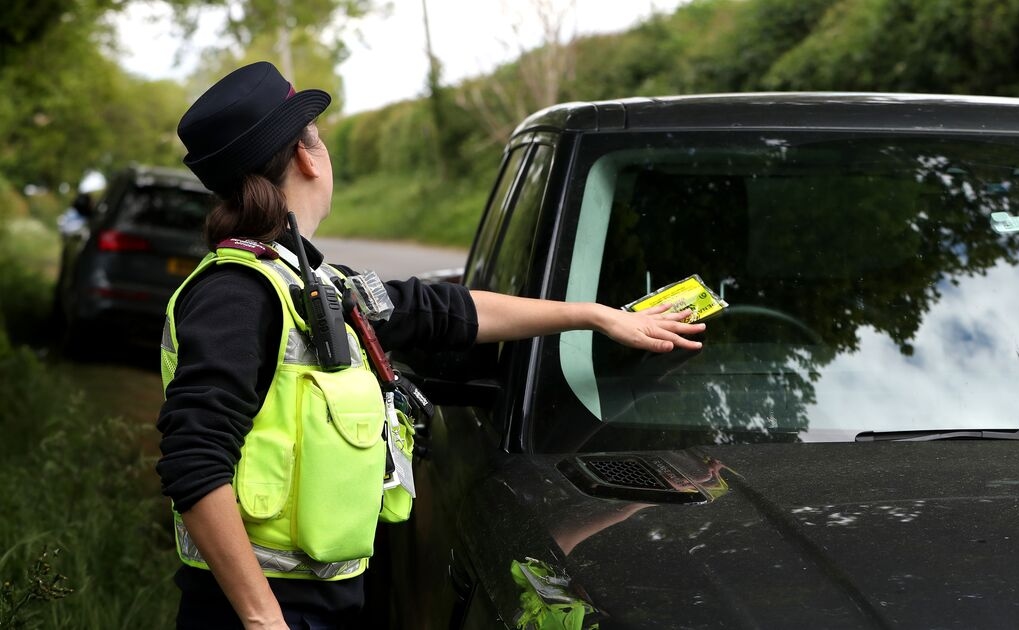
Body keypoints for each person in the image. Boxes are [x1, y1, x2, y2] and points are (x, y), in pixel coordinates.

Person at [156, 60, 704, 629]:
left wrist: (594, 316)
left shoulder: (311, 282)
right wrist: (262, 619)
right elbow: (194, 462)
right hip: (258, 609)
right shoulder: (237, 294)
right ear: (305, 155)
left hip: (318, 601)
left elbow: (448, 311)